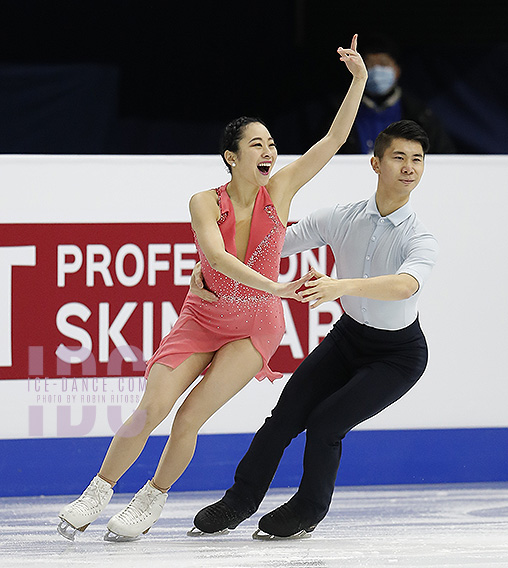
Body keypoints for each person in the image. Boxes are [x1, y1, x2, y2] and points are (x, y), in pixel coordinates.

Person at [56, 35, 368, 542]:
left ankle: (151, 498)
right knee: (151, 408)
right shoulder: (204, 201)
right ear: (231, 156)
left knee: (188, 419)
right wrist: (276, 285)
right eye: (257, 144)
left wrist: (356, 80)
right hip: (202, 318)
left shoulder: (282, 188)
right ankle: (98, 490)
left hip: (255, 328)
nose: (269, 151)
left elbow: (331, 140)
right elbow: (217, 257)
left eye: (271, 143)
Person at [191, 119, 438, 539]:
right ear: (375, 164)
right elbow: (266, 246)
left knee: (326, 423)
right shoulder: (341, 217)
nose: (409, 167)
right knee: (283, 418)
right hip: (348, 338)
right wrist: (210, 267)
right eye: (399, 157)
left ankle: (308, 508)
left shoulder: (421, 236)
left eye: (417, 159)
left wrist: (339, 286)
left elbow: (405, 286)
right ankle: (239, 501)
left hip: (397, 356)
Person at [338, 37, 456, 154]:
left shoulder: (422, 115)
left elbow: (444, 160)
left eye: (384, 64)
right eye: (370, 65)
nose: (377, 70)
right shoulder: (338, 112)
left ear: (397, 70)